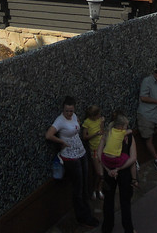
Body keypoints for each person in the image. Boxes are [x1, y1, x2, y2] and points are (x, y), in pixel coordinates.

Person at [46, 96, 99, 227]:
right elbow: (49, 135)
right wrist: (61, 141)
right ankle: (82, 216)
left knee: (84, 183)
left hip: (81, 152)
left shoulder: (74, 116)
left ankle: (86, 212)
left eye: (71, 111)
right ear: (63, 109)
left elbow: (77, 125)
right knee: (78, 187)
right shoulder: (60, 120)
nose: (69, 113)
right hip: (70, 157)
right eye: (67, 111)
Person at [98, 112, 138, 233]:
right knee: (125, 202)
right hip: (124, 172)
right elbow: (133, 158)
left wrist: (108, 170)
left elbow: (99, 155)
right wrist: (119, 169)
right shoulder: (129, 136)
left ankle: (107, 228)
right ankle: (128, 229)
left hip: (108, 171)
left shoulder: (107, 134)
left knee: (108, 200)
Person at [81, 105, 105, 199]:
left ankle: (99, 189)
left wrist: (102, 123)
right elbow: (85, 137)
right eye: (98, 115)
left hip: (102, 148)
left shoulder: (99, 120)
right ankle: (95, 189)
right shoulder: (87, 123)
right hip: (94, 150)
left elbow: (102, 131)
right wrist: (95, 134)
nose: (99, 116)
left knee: (102, 172)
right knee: (99, 173)